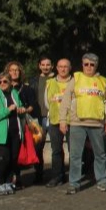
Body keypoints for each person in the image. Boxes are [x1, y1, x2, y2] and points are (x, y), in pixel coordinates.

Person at [60, 53, 106, 194]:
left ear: (96, 65)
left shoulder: (103, 81)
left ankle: (102, 180)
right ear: (82, 65)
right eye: (86, 64)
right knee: (76, 155)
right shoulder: (75, 78)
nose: (89, 67)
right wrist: (63, 120)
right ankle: (74, 183)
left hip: (97, 123)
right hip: (77, 122)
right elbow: (65, 101)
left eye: (92, 64)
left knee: (100, 154)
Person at [0, 72, 25, 195]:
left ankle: (9, 182)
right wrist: (7, 110)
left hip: (15, 131)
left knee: (13, 159)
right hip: (1, 133)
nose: (2, 84)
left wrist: (21, 109)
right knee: (3, 159)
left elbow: (19, 107)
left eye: (5, 81)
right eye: (0, 82)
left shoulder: (14, 93)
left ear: (10, 82)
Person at [6, 61, 40, 188]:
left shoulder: (27, 89)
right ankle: (9, 178)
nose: (14, 72)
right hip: (7, 122)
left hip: (22, 122)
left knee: (19, 151)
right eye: (11, 70)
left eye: (17, 70)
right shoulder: (4, 87)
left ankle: (19, 177)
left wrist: (24, 109)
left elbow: (32, 106)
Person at [44, 59, 73, 187]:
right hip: (55, 120)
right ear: (56, 68)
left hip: (72, 121)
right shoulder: (50, 83)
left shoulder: (75, 82)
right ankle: (57, 176)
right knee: (56, 150)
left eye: (65, 67)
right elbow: (46, 102)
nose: (63, 69)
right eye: (60, 66)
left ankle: (73, 176)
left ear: (70, 68)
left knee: (74, 151)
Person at [29, 56, 53, 184]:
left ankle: (57, 175)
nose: (45, 67)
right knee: (38, 147)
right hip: (38, 118)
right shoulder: (34, 80)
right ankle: (39, 175)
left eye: (48, 65)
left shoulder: (56, 79)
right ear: (39, 66)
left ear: (52, 66)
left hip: (52, 117)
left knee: (56, 147)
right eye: (43, 64)